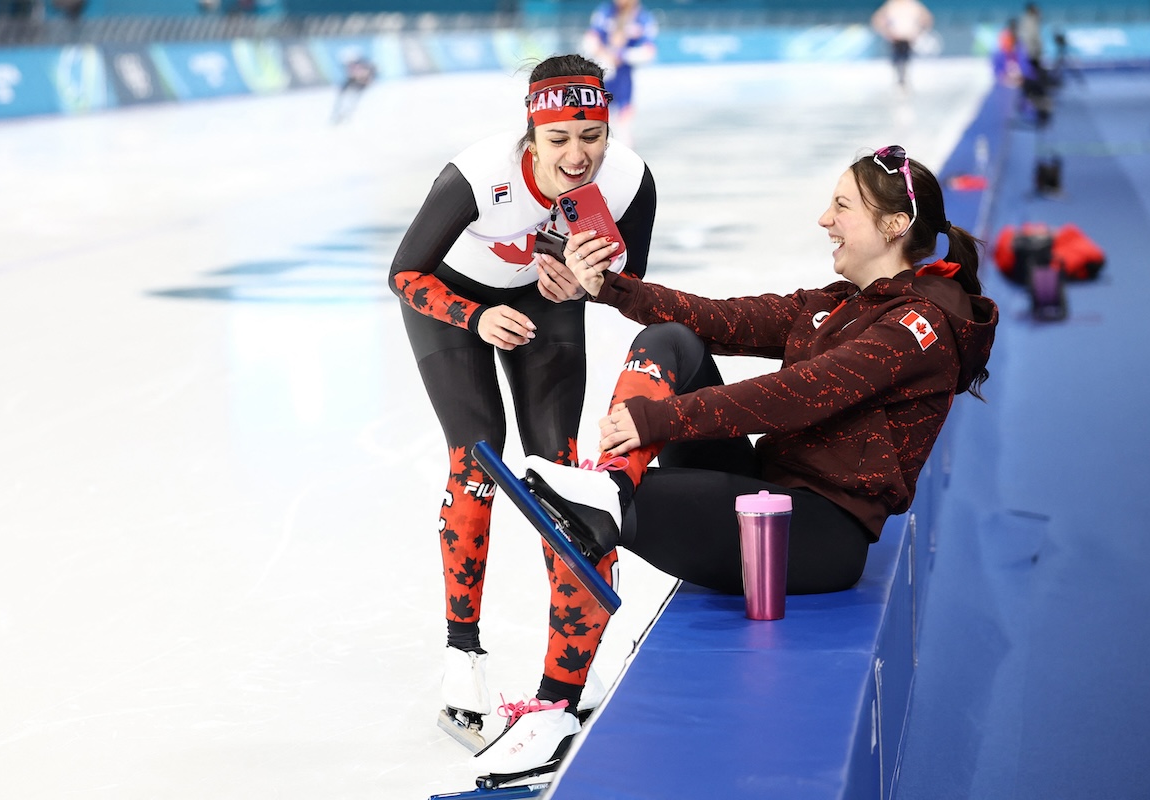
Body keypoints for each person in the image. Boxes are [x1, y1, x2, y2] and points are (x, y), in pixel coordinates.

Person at [498, 146, 998, 771]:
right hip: (767, 491)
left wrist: (659, 419)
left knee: (620, 503)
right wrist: (609, 287)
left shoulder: (916, 329)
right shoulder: (840, 301)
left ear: (895, 225)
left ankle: (559, 695)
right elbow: (721, 319)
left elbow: (798, 397)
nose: (825, 219)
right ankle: (612, 491)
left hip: (816, 533)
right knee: (672, 341)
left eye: (842, 205)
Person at [387, 54, 657, 763]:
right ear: (531, 135)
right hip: (453, 301)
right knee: (477, 461)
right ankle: (463, 655)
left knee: (559, 470)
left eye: (590, 134)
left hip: (547, 301)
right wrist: (475, 319)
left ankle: (583, 647)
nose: (577, 155)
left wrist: (589, 285)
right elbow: (402, 272)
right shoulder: (478, 177)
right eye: (559, 137)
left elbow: (637, 288)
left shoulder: (629, 180)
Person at [582, 0, 658, 146]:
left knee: (624, 125)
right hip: (602, 75)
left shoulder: (644, 18)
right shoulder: (604, 12)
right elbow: (590, 39)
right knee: (593, 119)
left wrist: (623, 55)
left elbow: (649, 51)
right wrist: (603, 54)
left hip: (624, 79)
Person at [870, 0, 934, 89]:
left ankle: (903, 80)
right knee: (897, 59)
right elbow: (878, 19)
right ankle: (900, 80)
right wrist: (887, 32)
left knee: (905, 59)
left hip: (907, 37)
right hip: (896, 37)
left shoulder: (912, 4)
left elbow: (926, 18)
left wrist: (918, 32)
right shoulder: (892, 4)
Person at [331, 55, 376, 124]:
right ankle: (339, 117)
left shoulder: (366, 70)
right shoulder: (349, 81)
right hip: (354, 86)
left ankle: (343, 116)